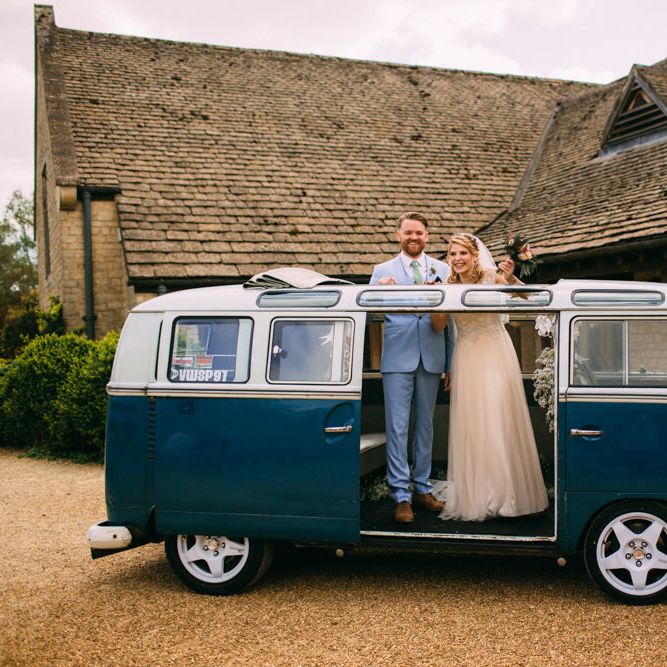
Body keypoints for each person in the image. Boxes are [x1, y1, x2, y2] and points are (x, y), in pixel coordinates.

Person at [432, 233, 548, 521]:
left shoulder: (491, 276)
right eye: (452, 254)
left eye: (463, 253)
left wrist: (510, 278)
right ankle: (479, 492)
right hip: (466, 354)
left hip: (496, 352)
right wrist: (433, 299)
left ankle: (506, 493)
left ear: (474, 255)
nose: (457, 259)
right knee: (473, 421)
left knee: (497, 415)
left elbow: (529, 296)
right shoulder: (447, 285)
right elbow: (438, 326)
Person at [370, 212, 455, 523]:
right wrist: (379, 290)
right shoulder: (381, 271)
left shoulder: (443, 269)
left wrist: (450, 363)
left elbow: (451, 322)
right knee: (397, 427)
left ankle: (422, 488)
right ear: (399, 235)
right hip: (397, 359)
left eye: (419, 232)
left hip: (432, 357)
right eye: (408, 232)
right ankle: (401, 496)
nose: (414, 237)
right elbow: (367, 312)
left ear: (427, 236)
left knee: (425, 426)